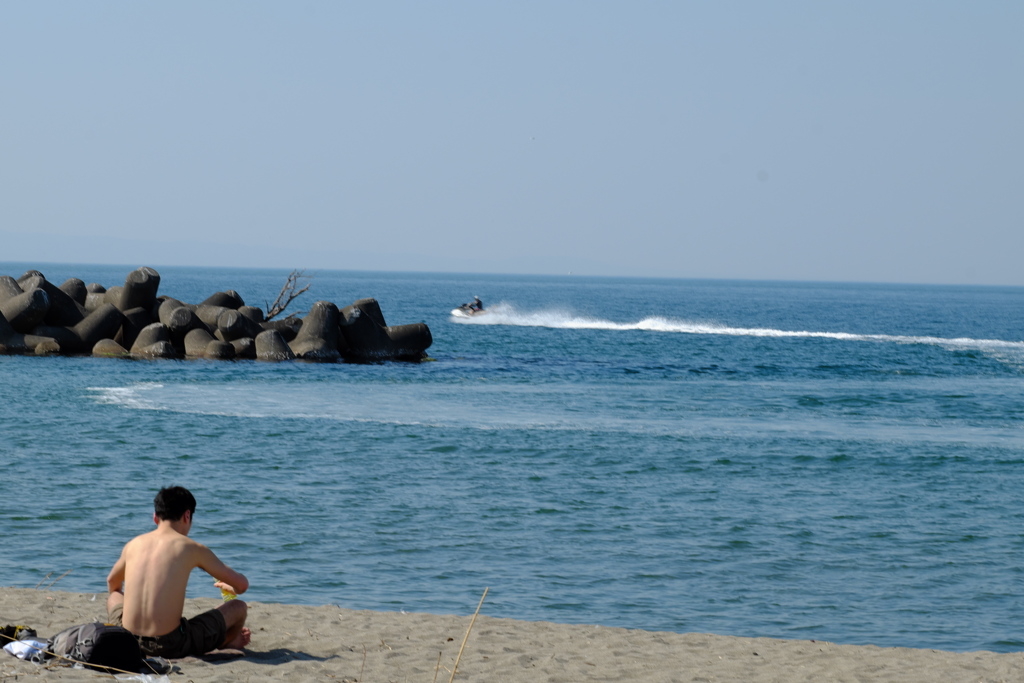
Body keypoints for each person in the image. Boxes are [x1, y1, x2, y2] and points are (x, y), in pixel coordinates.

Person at [106, 486, 251, 658]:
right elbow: (242, 585)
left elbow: (112, 582)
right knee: (238, 607)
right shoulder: (191, 548)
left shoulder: (133, 544)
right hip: (169, 644)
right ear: (187, 516)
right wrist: (231, 587)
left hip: (128, 640)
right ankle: (229, 641)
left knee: (114, 595)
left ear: (155, 517)